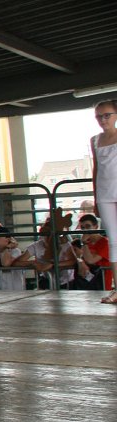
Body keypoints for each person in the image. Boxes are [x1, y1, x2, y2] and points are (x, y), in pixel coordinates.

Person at [90, 99, 117, 303]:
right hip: (105, 194)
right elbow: (96, 169)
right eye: (99, 116)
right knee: (114, 241)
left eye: (107, 115)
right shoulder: (95, 140)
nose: (103, 120)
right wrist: (96, 198)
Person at [70, 214, 110, 291]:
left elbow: (90, 260)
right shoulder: (86, 243)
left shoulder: (105, 243)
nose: (85, 230)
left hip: (102, 281)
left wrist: (84, 243)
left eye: (88, 226)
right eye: (82, 227)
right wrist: (81, 261)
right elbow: (81, 257)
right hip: (87, 282)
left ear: (96, 226)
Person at [0, 226, 28, 291]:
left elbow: (5, 264)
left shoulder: (16, 251)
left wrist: (7, 247)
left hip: (15, 289)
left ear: (8, 239)